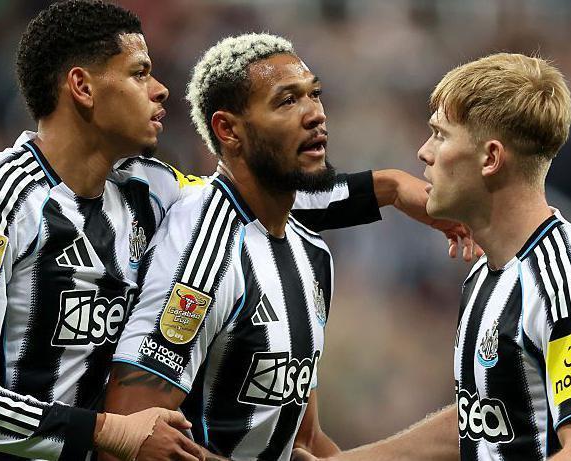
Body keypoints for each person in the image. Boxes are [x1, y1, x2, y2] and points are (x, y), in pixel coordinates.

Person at [0, 2, 474, 460]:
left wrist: (393, 190)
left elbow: (259, 194)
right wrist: (107, 430)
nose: (162, 88)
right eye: (139, 73)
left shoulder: (147, 190)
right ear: (82, 88)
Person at [102, 32, 473, 461]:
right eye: (287, 101)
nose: (315, 114)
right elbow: (131, 440)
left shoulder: (308, 249)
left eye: (314, 95)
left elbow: (302, 439)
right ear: (228, 130)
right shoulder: (202, 249)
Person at [292, 53, 571, 461]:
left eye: (440, 135)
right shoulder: (487, 274)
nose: (423, 152)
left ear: (491, 158)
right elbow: (482, 421)